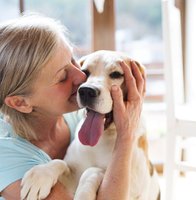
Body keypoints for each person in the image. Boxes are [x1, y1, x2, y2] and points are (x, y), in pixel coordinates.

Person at [0, 14, 145, 200]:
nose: (81, 78)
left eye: (74, 61)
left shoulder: (76, 117)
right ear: (21, 102)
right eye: (62, 77)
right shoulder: (5, 156)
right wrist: (126, 137)